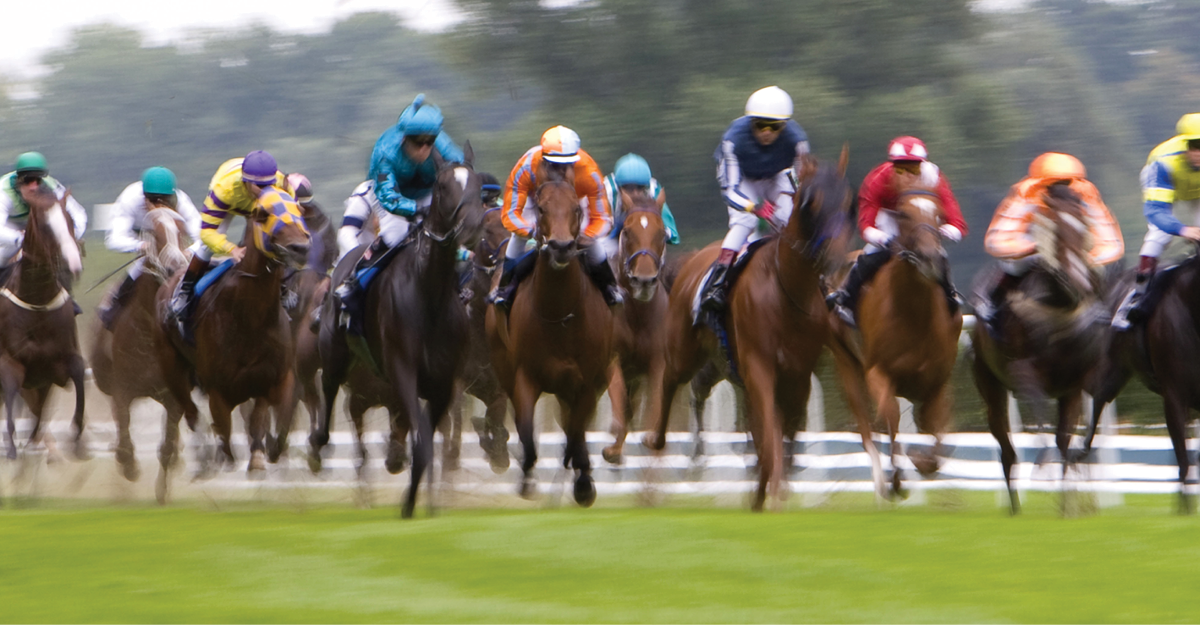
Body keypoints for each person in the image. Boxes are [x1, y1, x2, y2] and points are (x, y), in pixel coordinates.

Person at [332, 93, 466, 335]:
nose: (425, 148)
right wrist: (418, 210)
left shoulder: (442, 146)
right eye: (417, 142)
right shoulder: (386, 151)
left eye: (430, 141)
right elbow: (389, 197)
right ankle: (353, 281)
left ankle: (460, 284)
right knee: (396, 233)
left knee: (448, 231)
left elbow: (460, 173)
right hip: (389, 193)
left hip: (426, 192)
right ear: (404, 138)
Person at [827, 136, 968, 327]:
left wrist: (950, 230)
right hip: (889, 219)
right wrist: (881, 237)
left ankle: (950, 297)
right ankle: (847, 299)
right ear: (892, 165)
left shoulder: (934, 178)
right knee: (870, 255)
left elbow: (954, 215)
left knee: (938, 255)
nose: (908, 174)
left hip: (921, 220)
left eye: (914, 168)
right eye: (901, 168)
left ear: (923, 165)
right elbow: (866, 222)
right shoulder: (878, 178)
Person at [698, 86, 809, 313]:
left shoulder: (799, 144)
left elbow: (798, 181)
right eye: (760, 125)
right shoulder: (733, 140)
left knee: (786, 219)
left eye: (775, 126)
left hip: (776, 174)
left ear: (785, 126)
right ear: (750, 122)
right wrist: (754, 206)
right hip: (742, 179)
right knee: (744, 223)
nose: (767, 132)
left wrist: (788, 205)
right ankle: (717, 285)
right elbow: (730, 191)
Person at [979, 152, 1123, 328]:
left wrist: (1090, 258)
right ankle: (994, 305)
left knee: (1102, 270)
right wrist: (1028, 249)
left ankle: (1103, 307)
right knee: (1013, 265)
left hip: (1075, 240)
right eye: (1053, 183)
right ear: (1041, 182)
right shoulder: (1026, 193)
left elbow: (1109, 238)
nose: (1060, 189)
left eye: (1066, 183)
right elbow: (998, 238)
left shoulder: (1086, 193)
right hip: (1034, 237)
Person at [489, 125, 621, 310]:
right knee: (517, 238)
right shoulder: (526, 166)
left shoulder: (589, 172)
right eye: (553, 165)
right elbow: (510, 214)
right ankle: (504, 289)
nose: (559, 172)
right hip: (535, 201)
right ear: (543, 158)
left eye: (567, 166)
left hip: (572, 203)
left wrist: (588, 236)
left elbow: (603, 218)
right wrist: (530, 230)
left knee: (595, 246)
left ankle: (610, 288)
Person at [167, 150, 295, 332]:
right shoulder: (223, 190)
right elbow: (207, 233)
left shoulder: (283, 186)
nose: (267, 191)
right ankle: (185, 292)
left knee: (277, 238)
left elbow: (291, 220)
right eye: (260, 186)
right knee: (206, 247)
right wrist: (231, 249)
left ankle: (283, 286)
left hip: (259, 206)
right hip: (232, 202)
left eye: (270, 185)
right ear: (247, 182)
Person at [1112, 112, 1200, 329]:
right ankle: (1138, 294)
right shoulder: (1163, 163)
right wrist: (1181, 229)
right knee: (1160, 234)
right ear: (1184, 143)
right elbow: (1155, 211)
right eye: (1195, 145)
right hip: (1167, 185)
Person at [98, 166, 202, 329]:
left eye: (165, 200)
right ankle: (113, 310)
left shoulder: (183, 202)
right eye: (152, 200)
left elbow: (203, 237)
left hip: (177, 247)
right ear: (144, 196)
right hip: (144, 243)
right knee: (137, 272)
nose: (159, 205)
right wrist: (142, 245)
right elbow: (114, 239)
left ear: (173, 197)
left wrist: (189, 251)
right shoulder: (129, 199)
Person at [0, 151, 89, 282]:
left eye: (38, 180)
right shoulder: (4, 191)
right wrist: (20, 238)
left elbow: (79, 214)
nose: (34, 187)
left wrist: (69, 236)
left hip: (36, 226)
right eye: (28, 180)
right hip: (9, 228)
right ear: (18, 179)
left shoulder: (52, 186)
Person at [601, 153, 681, 258]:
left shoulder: (654, 191)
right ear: (619, 187)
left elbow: (671, 232)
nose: (635, 194)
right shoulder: (605, 192)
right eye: (629, 188)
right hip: (611, 238)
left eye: (640, 188)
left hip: (643, 239)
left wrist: (657, 231)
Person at [286, 173, 338, 275]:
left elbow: (332, 254)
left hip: (317, 276)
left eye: (306, 206)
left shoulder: (323, 223)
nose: (303, 211)